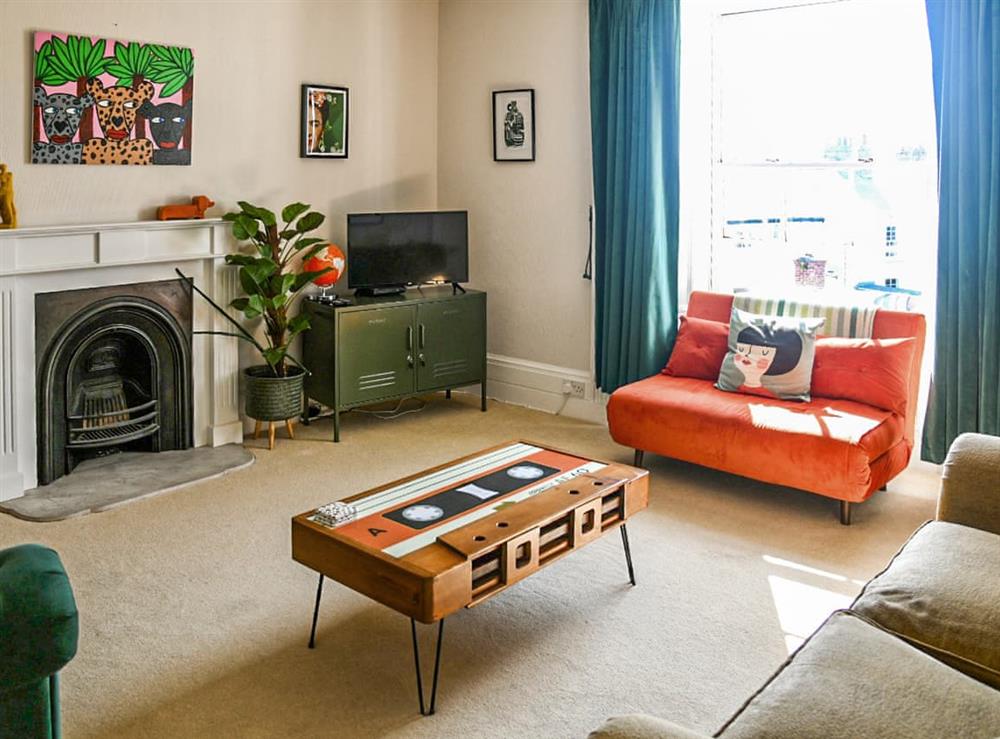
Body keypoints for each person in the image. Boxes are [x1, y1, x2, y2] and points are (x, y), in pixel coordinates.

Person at [730, 324, 802, 397]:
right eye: (741, 349)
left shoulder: (770, 394)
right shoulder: (734, 386)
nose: (747, 355)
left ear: (776, 360)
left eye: (764, 353)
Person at [0, 164, 16, 229]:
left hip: (8, 192)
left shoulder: (9, 175)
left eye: (4, 168)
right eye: (2, 168)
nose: (3, 169)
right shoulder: (1, 176)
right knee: (3, 206)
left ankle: (10, 221)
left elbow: (5, 185)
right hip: (3, 193)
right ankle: (6, 221)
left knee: (8, 205)